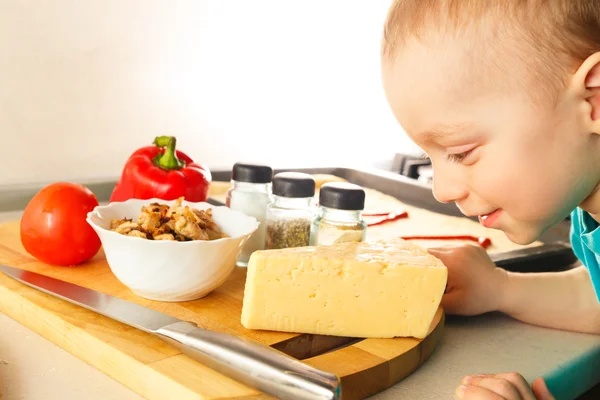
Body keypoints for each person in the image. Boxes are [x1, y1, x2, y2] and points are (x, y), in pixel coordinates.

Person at [380, 1, 600, 399]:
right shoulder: (590, 215)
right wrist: (500, 289)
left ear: (594, 100)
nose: (441, 190)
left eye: (461, 152)